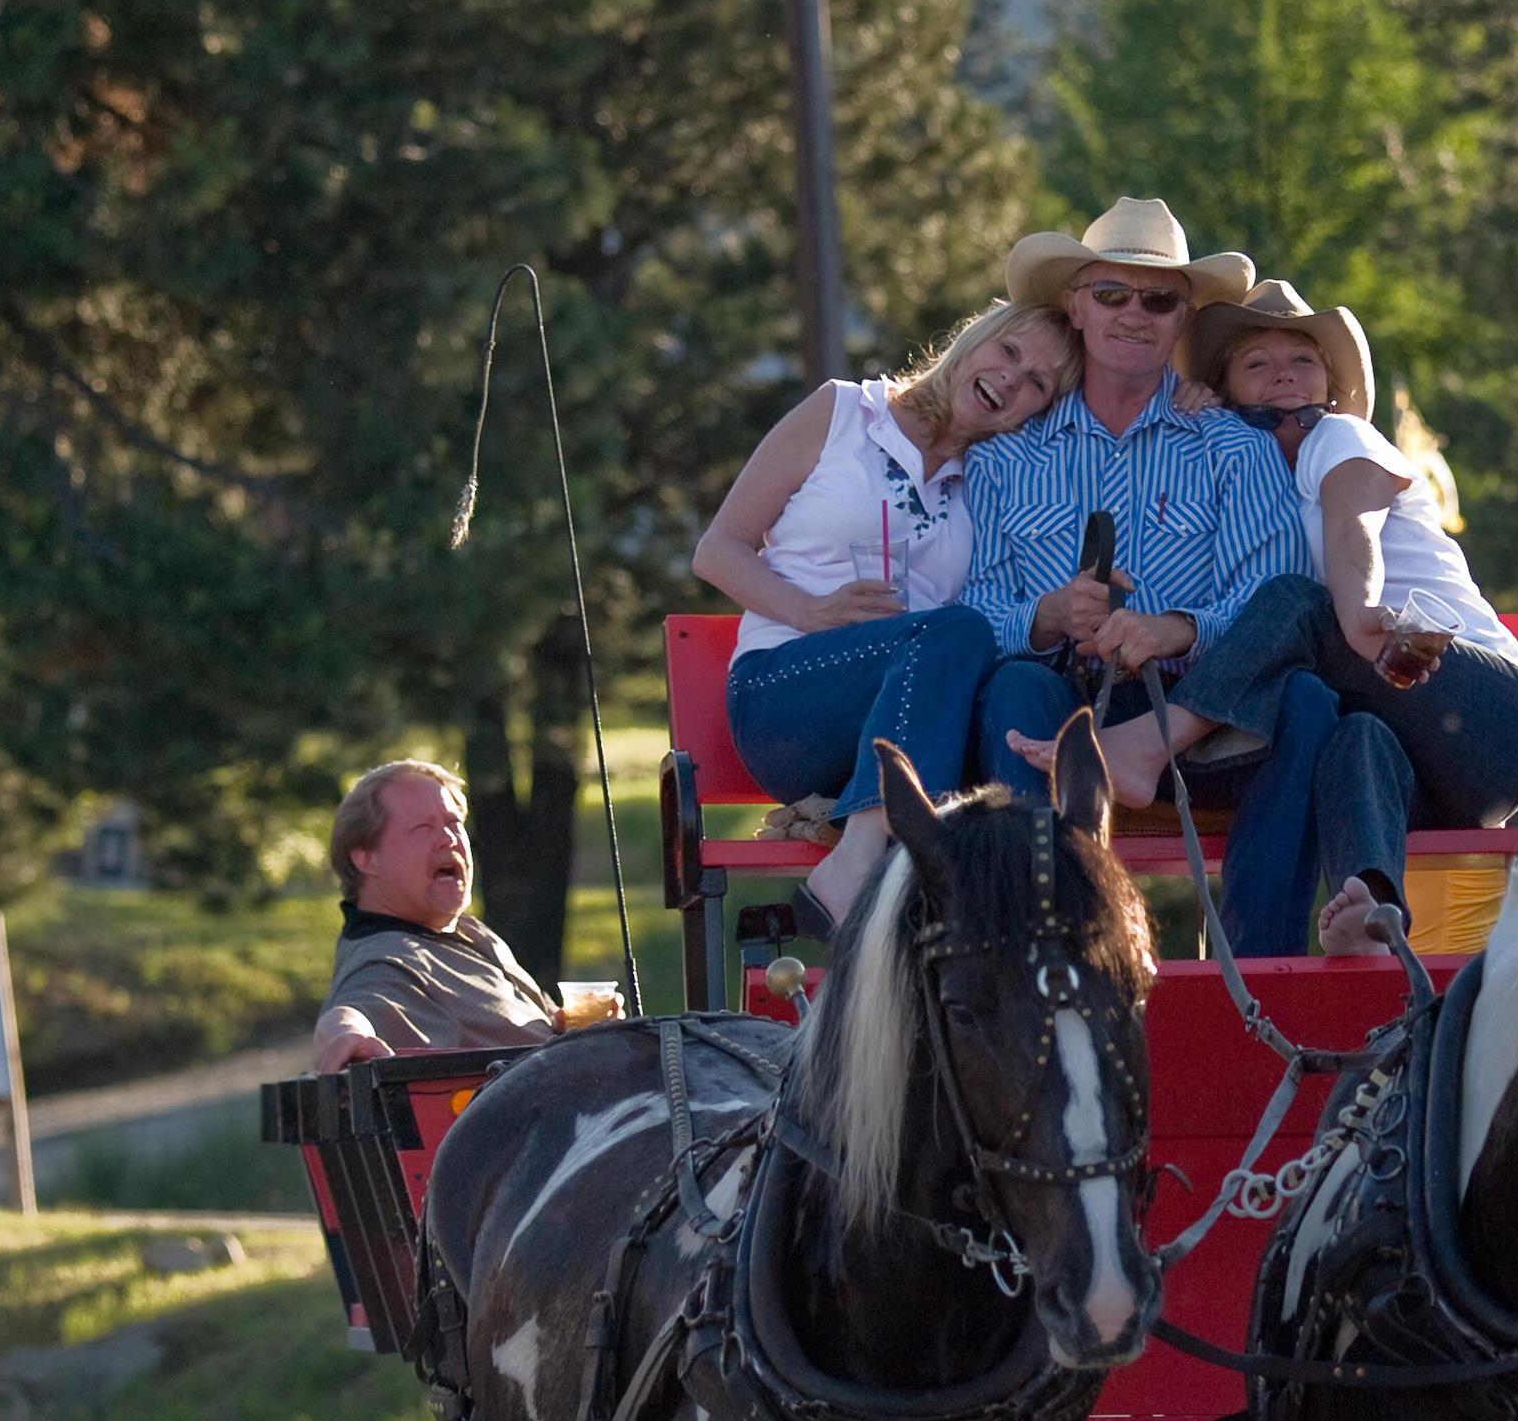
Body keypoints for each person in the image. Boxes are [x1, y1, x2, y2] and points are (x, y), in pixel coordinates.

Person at [1011, 281, 1518, 953]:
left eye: (1302, 360)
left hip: (1481, 711)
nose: (1284, 375)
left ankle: (1148, 746)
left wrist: (1355, 612)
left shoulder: (1341, 440)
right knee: (1350, 735)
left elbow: (1352, 523)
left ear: (1329, 385)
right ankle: (1372, 909)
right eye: (1256, 364)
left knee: (1294, 597)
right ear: (1226, 392)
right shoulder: (1247, 483)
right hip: (1415, 757)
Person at [962, 198, 1343, 955]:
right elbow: (971, 605)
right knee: (1012, 690)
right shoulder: (1003, 457)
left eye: (1159, 298)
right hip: (1062, 706)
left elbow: (1277, 593)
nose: (1134, 314)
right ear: (1076, 306)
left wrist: (1178, 628)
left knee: (1304, 701)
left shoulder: (1233, 447)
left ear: (1183, 315)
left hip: (1200, 716)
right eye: (1112, 294)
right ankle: (1040, 955)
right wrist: (1044, 617)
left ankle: (1262, 970)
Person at [692, 298, 1081, 927]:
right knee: (957, 629)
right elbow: (717, 551)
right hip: (791, 697)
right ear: (973, 340)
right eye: (1008, 352)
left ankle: (1014, 917)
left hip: (919, 719)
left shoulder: (989, 477)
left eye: (1037, 382)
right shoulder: (845, 412)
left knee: (1018, 681)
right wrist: (810, 610)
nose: (1012, 378)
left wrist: (1196, 388)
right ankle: (867, 858)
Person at [309, 761, 617, 1074]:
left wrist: (569, 1026)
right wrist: (345, 1032)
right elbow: (355, 1010)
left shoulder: (463, 931)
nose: (449, 839)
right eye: (423, 828)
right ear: (366, 859)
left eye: (454, 823)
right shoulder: (387, 962)